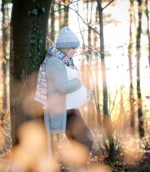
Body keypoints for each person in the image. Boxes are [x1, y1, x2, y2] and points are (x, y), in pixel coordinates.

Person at [35, 26, 93, 164]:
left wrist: (85, 93)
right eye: (73, 48)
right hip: (64, 111)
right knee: (85, 142)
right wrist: (78, 83)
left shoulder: (65, 61)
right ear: (65, 47)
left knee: (83, 143)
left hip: (71, 109)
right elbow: (62, 87)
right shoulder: (54, 62)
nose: (75, 51)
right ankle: (79, 167)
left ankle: (78, 166)